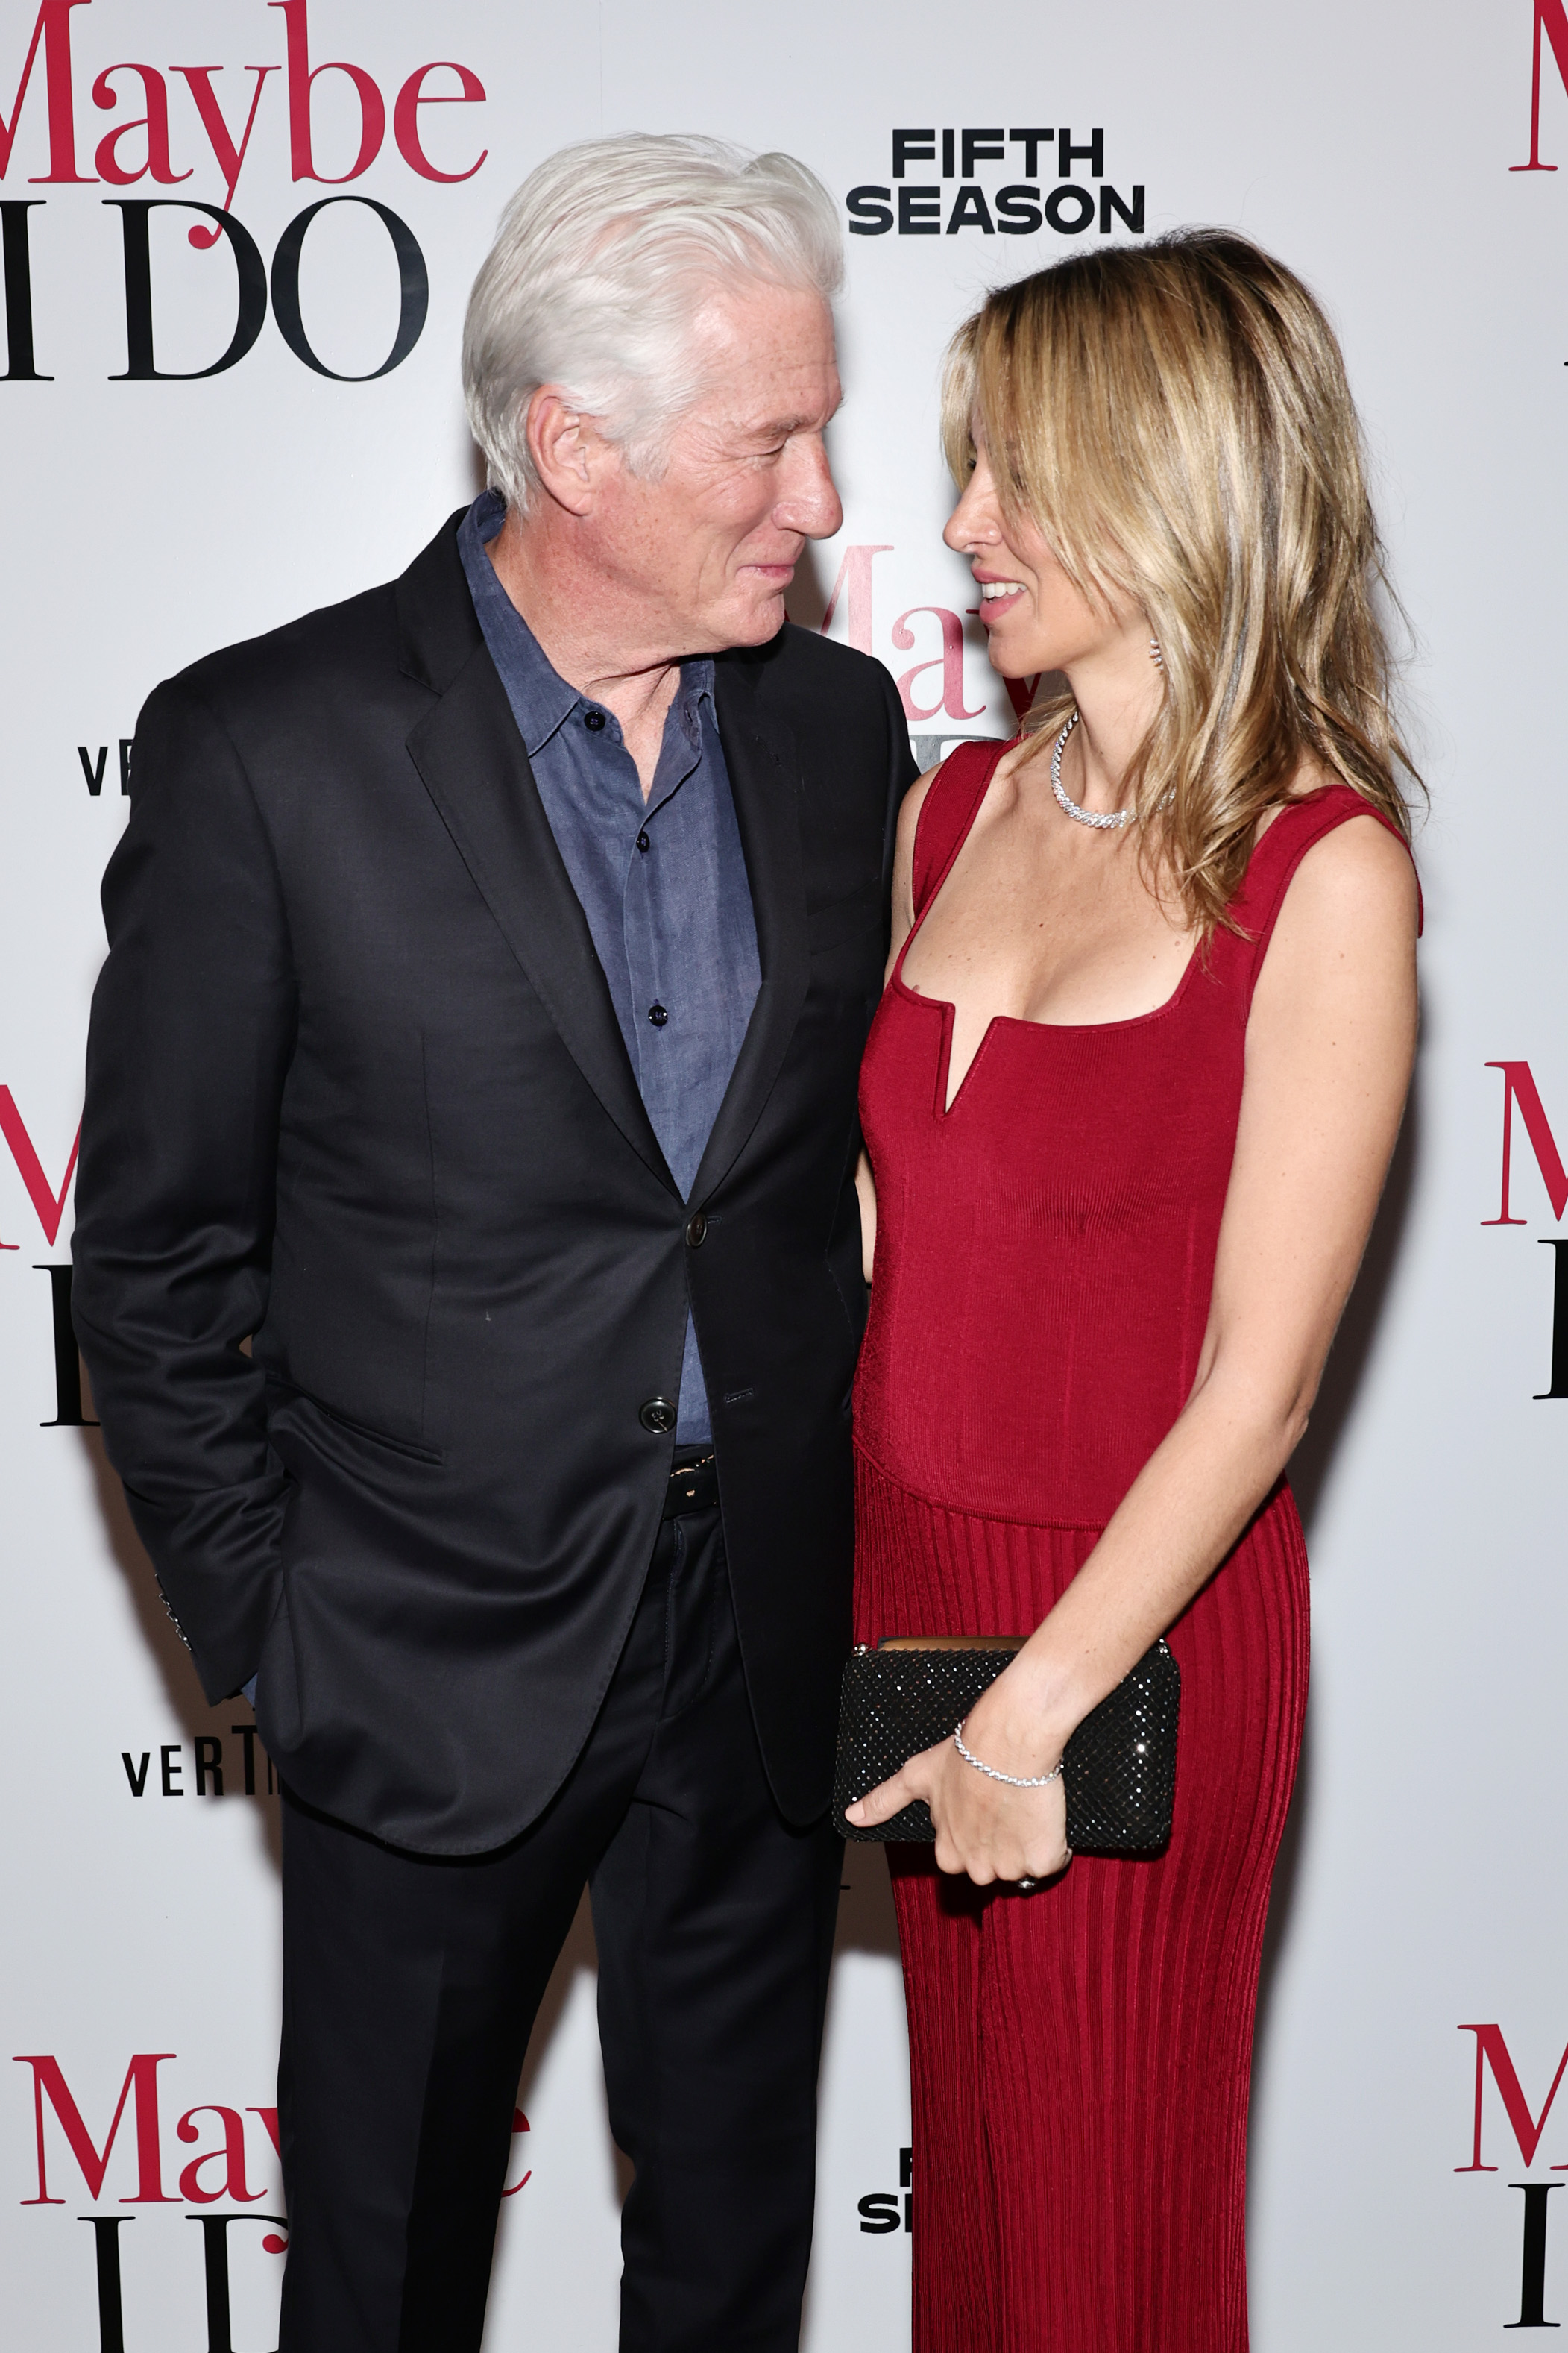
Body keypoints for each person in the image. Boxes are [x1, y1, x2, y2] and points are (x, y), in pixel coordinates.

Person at [72, 135, 913, 2353]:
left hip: (755, 1645)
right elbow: (152, 1261)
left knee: (730, 2262)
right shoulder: (266, 750)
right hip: (422, 1665)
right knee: (386, 2270)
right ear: (575, 445)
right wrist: (276, 1631)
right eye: (772, 441)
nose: (823, 497)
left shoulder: (840, 732)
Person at [846, 232, 1420, 2352]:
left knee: (1104, 2276)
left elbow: (1262, 1389)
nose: (965, 524)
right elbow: (894, 1250)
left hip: (1130, 1639)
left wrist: (1031, 1710)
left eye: (1019, 470)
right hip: (915, 1610)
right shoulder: (960, 804)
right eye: (967, 465)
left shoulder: (1320, 873)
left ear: (1174, 478)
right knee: (982, 2261)